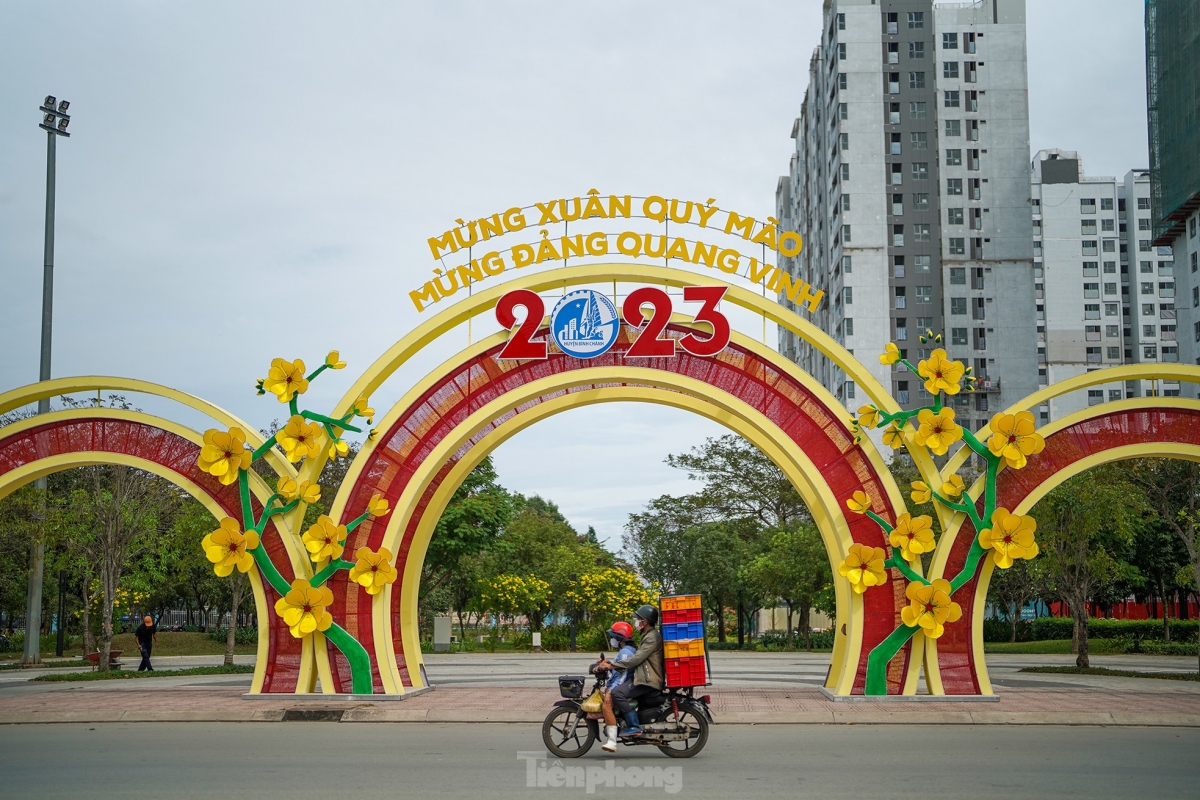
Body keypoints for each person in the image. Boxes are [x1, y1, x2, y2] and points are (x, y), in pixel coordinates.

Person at [602, 604, 664, 738]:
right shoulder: (648, 635)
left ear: (645, 621)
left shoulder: (651, 637)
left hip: (648, 680)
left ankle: (634, 726)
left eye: (638, 619)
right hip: (643, 677)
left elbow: (637, 659)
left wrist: (612, 666)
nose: (636, 622)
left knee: (617, 693)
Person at [592, 622, 636, 752]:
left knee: (606, 706)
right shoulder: (626, 651)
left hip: (625, 686)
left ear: (620, 638)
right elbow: (619, 671)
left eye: (613, 636)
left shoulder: (625, 652)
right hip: (626, 684)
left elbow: (624, 675)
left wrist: (611, 691)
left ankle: (612, 741)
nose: (612, 640)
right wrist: (608, 665)